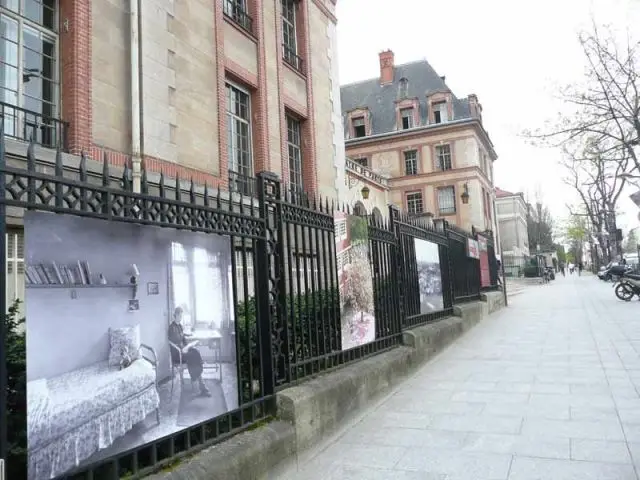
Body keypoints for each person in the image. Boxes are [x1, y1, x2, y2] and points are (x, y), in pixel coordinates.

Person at [168, 307, 211, 397]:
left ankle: (200, 386)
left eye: (181, 315)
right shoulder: (171, 327)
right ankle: (200, 387)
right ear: (175, 315)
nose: (180, 317)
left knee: (196, 351)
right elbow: (174, 341)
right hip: (177, 354)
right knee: (193, 358)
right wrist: (184, 348)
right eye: (178, 315)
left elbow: (183, 340)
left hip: (183, 350)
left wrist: (188, 346)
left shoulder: (180, 326)